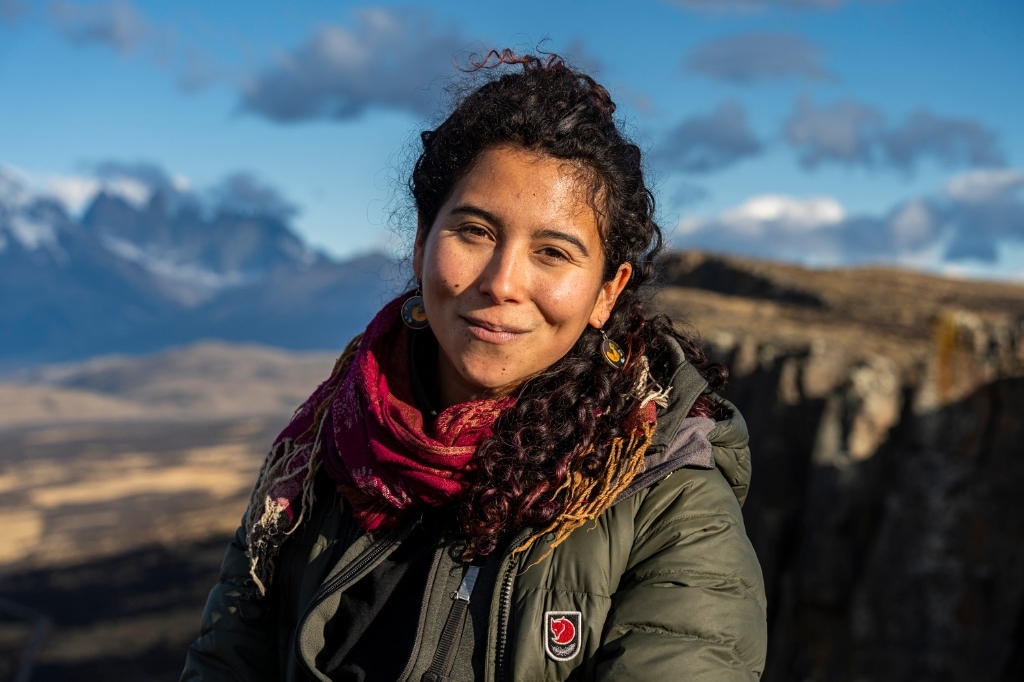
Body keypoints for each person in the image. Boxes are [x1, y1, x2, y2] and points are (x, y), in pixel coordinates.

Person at [181, 50, 767, 681]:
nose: (502, 283)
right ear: (420, 243)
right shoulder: (322, 451)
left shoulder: (672, 508)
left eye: (553, 252)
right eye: (475, 231)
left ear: (607, 291)